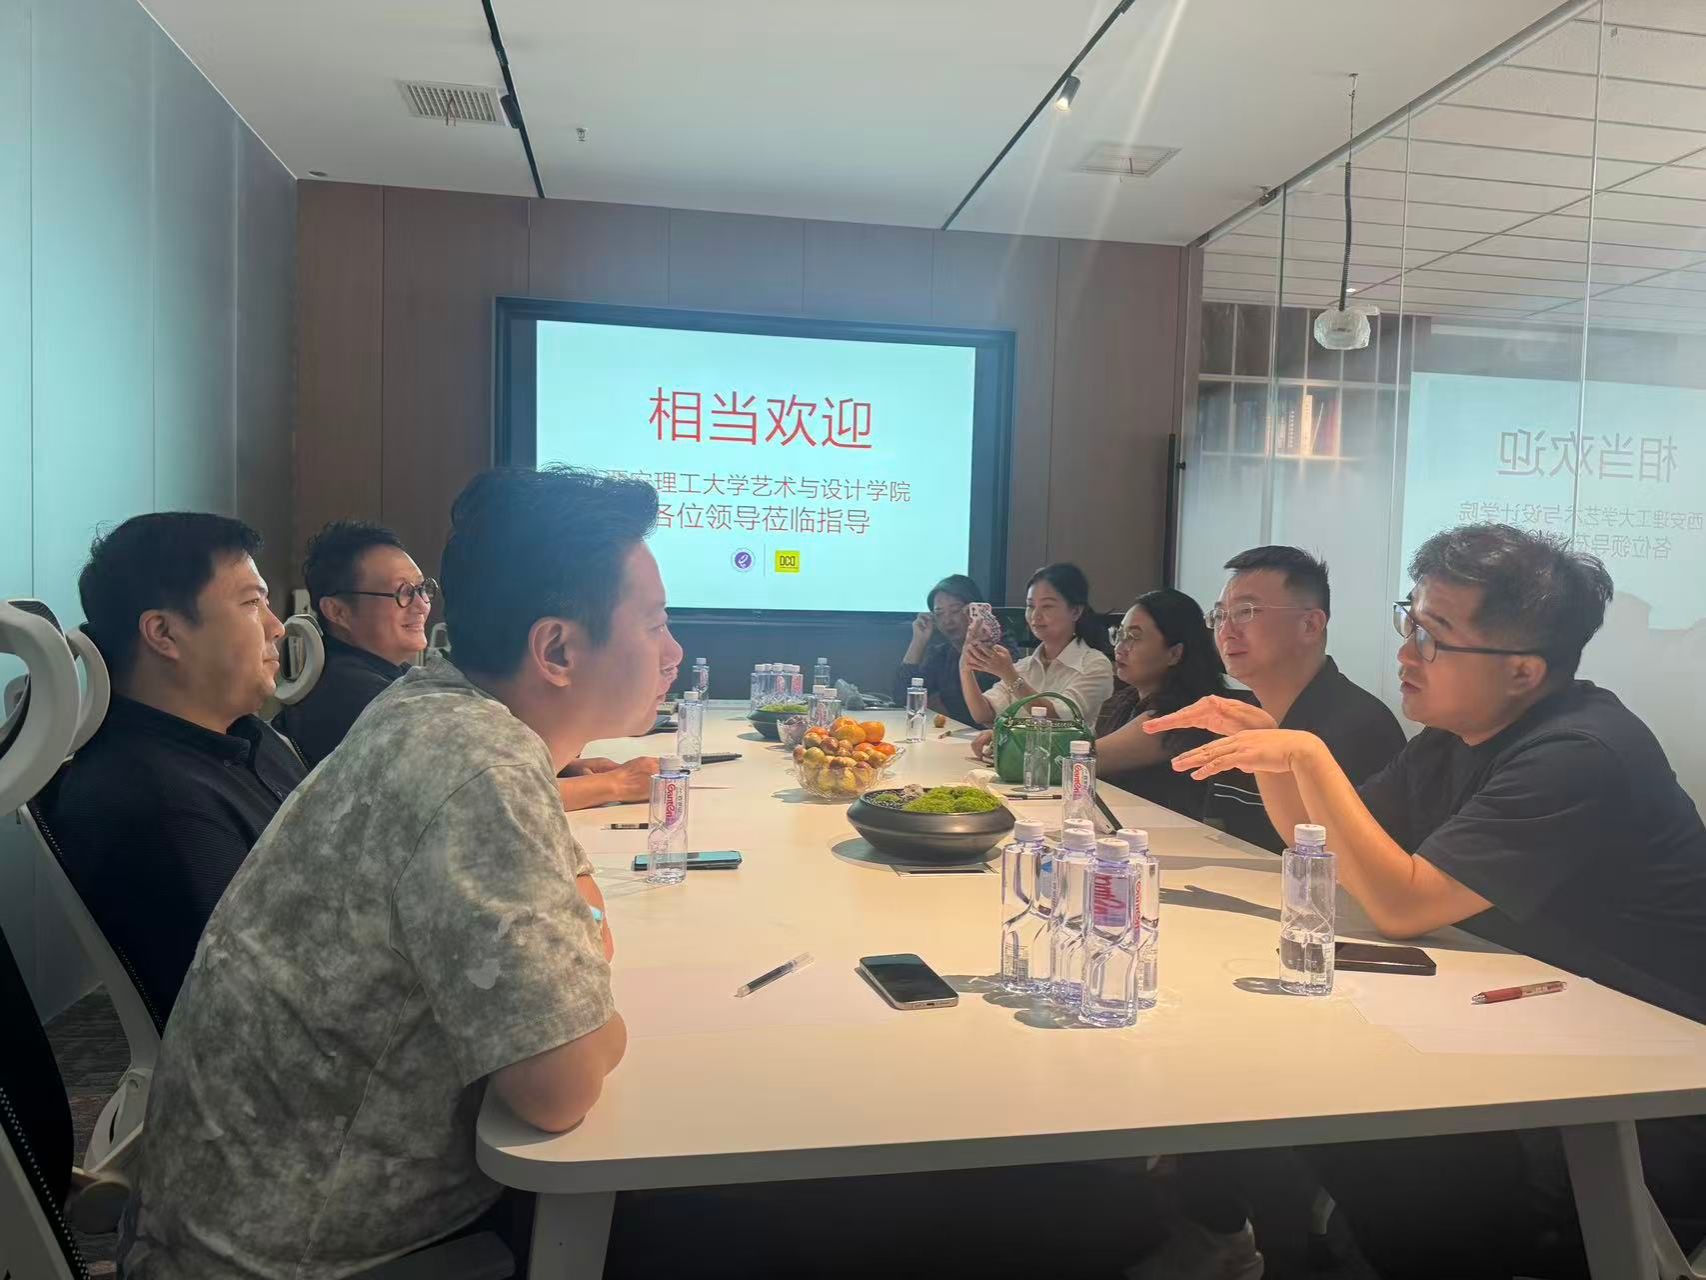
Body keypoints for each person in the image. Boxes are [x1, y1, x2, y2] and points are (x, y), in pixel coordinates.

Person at [123, 466, 671, 1278]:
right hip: (289, 1255)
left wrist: (578, 949)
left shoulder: (433, 705)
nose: (673, 651)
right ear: (556, 648)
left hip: (241, 1215)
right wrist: (594, 1009)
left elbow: (581, 898)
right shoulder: (476, 762)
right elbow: (559, 1088)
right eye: (655, 624)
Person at [1150, 524, 1706, 1277]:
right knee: (1285, 1087)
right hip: (1527, 1033)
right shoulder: (1456, 732)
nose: (1407, 654)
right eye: (1408, 623)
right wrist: (1277, 751)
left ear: (1523, 671)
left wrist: (1307, 752)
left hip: (1636, 1100)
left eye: (1433, 638)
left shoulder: (1579, 753)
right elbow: (1324, 846)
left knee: (1337, 1123)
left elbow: (1403, 905)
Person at [41, 513, 305, 1017]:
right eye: (252, 603)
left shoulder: (249, 737)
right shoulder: (149, 801)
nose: (277, 627)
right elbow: (258, 1002)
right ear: (163, 633)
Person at [1200, 545, 1403, 851]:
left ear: (1310, 625)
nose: (1225, 631)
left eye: (1245, 612)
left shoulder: (1361, 728)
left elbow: (1352, 860)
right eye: (1219, 615)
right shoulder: (1242, 717)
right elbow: (1217, 830)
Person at [272, 520, 431, 768]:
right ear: (338, 611)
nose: (421, 605)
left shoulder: (359, 676)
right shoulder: (368, 701)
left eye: (422, 588)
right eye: (403, 591)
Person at [1092, 588, 1234, 817]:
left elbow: (1084, 760)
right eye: (1119, 634)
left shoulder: (1184, 717)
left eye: (1134, 637)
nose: (1120, 647)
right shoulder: (1122, 701)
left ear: (1174, 653)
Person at [961, 562, 1115, 731]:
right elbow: (983, 715)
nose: (1035, 615)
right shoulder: (1025, 666)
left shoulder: (1094, 665)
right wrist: (965, 667)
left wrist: (1009, 675)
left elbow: (1057, 721)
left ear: (1075, 611)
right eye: (1030, 606)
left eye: (1047, 606)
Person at [894, 573, 994, 726]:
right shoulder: (942, 654)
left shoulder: (999, 648)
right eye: (939, 613)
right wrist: (918, 641)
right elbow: (903, 699)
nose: (947, 620)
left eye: (955, 610)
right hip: (957, 735)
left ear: (975, 610)